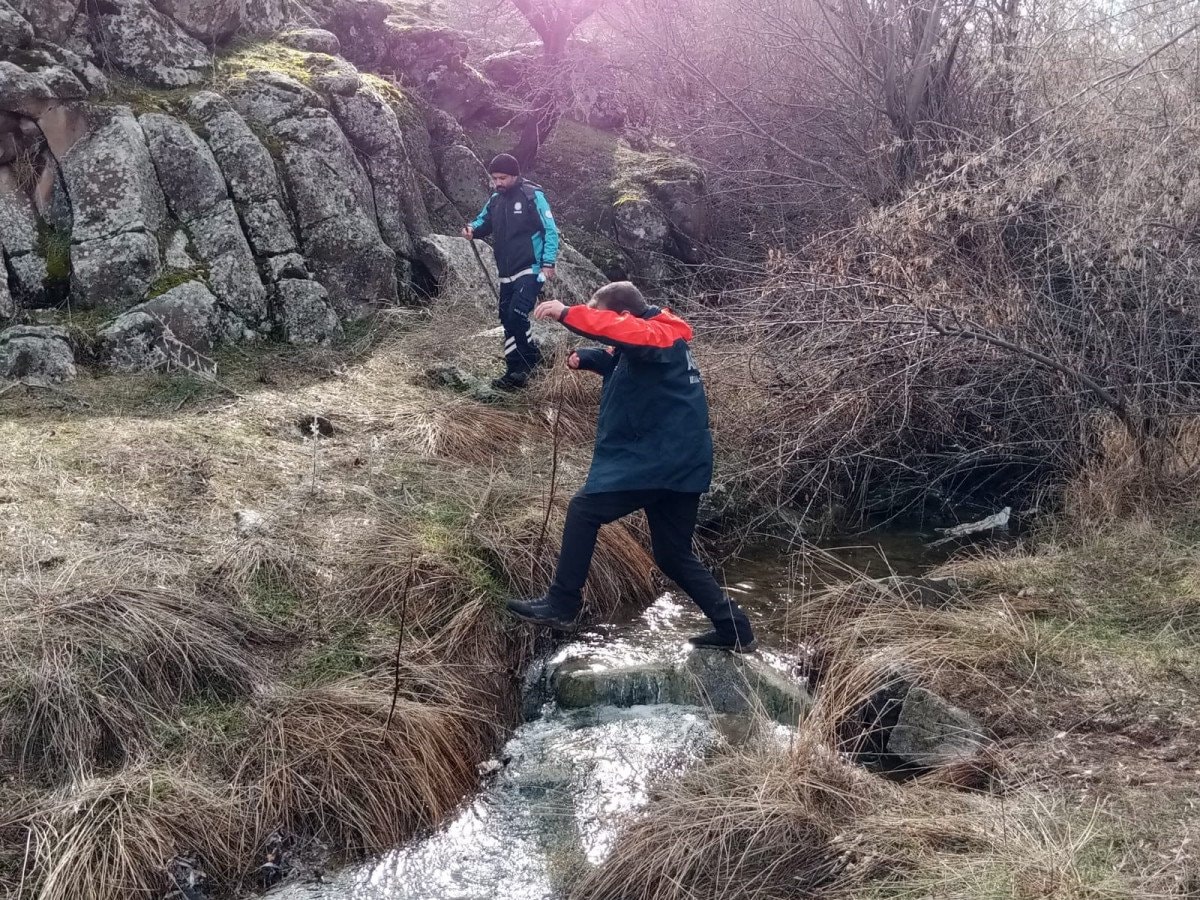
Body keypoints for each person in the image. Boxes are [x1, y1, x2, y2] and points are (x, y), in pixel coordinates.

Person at [505, 281, 757, 652]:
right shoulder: (658, 339)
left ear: (625, 315)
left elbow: (627, 336)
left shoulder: (660, 334)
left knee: (584, 510)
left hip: (660, 462)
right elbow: (627, 360)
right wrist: (589, 359)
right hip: (680, 464)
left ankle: (562, 604)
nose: (602, 324)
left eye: (602, 316)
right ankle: (734, 628)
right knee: (673, 556)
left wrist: (567, 313)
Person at [462, 154, 560, 390]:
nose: (498, 182)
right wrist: (471, 229)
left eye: (503, 178)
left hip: (531, 269)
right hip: (506, 273)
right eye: (495, 178)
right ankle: (513, 370)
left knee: (517, 314)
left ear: (515, 175)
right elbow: (483, 222)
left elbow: (550, 230)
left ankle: (529, 364)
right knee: (506, 319)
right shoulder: (495, 200)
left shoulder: (532, 195)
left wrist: (548, 262)